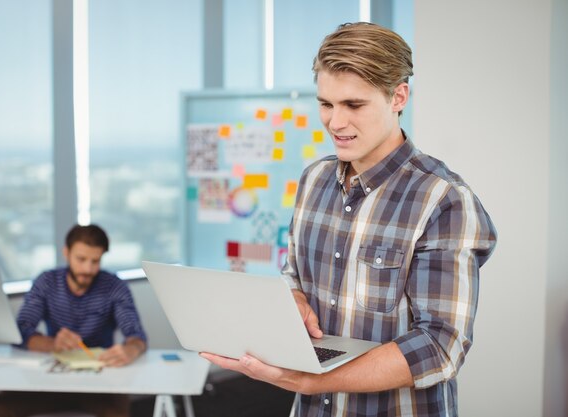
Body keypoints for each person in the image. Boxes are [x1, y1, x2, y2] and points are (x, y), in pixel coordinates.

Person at [201, 22, 497, 417]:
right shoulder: (313, 180)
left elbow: (439, 347)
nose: (335, 123)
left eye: (353, 105)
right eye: (326, 104)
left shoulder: (444, 200)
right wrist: (295, 299)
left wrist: (312, 380)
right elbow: (294, 275)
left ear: (398, 96)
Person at [0, 224, 148, 417]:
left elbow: (136, 335)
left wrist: (131, 349)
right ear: (66, 253)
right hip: (51, 376)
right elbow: (21, 330)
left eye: (95, 261)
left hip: (101, 380)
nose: (88, 268)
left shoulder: (114, 287)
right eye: (81, 259)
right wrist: (52, 344)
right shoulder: (46, 282)